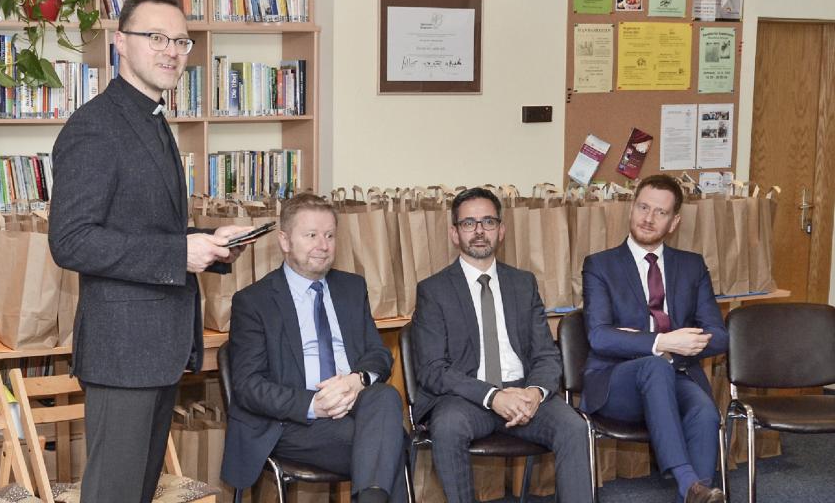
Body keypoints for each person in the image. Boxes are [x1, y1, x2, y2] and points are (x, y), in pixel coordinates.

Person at [49, 0, 249, 502]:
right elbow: (71, 241)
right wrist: (177, 255)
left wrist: (203, 241)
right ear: (120, 44)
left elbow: (140, 227)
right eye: (155, 37)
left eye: (180, 40)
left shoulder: (152, 121)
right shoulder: (96, 127)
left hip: (158, 348)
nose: (171, 50)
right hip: (123, 352)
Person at [221, 193, 408, 503]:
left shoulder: (351, 287)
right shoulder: (254, 302)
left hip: (353, 404)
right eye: (311, 235)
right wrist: (314, 405)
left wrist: (356, 380)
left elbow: (378, 354)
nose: (323, 245)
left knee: (385, 396)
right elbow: (249, 387)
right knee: (390, 443)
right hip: (290, 421)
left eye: (330, 235)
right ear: (285, 241)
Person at [411, 188, 593, 503]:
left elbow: (546, 355)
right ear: (455, 234)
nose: (479, 231)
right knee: (448, 426)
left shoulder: (523, 283)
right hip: (466, 398)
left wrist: (535, 393)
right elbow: (432, 370)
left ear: (502, 230)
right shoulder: (433, 290)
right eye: (469, 223)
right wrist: (492, 396)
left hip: (524, 393)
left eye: (488, 222)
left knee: (574, 427)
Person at [581, 174, 728, 503]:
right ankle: (689, 483)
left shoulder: (691, 266)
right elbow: (600, 337)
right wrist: (663, 342)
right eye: (643, 207)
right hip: (615, 383)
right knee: (654, 367)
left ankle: (694, 495)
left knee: (705, 412)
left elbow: (719, 336)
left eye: (659, 212)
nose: (648, 218)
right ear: (631, 209)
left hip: (676, 374)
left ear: (674, 221)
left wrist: (673, 348)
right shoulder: (600, 265)